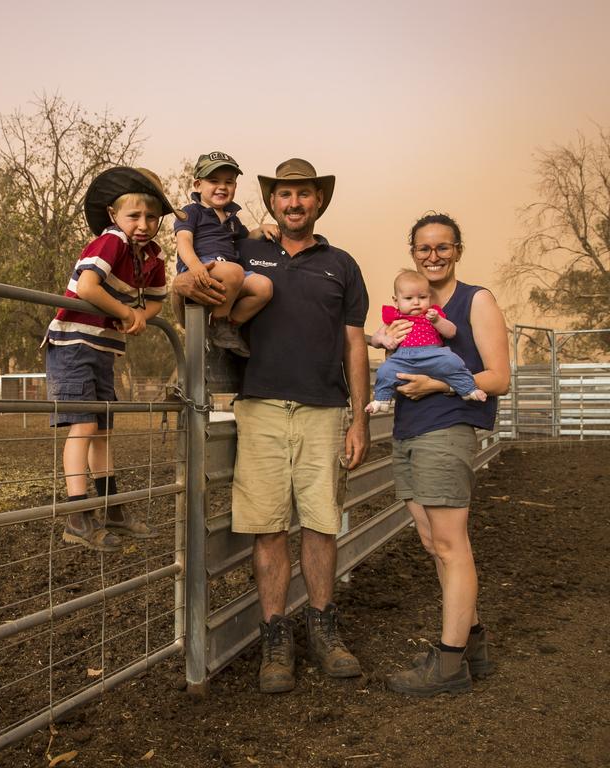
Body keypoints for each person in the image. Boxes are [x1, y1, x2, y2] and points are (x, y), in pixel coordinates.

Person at [174, 158, 371, 693]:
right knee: (266, 526)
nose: (294, 204)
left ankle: (324, 630)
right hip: (258, 404)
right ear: (272, 202)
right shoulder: (245, 249)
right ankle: (275, 638)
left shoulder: (343, 265)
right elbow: (200, 272)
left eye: (304, 195)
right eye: (284, 195)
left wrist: (361, 417)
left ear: (319, 202)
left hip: (325, 408)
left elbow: (355, 343)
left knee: (321, 522)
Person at [380, 212, 510, 697]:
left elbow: (499, 376)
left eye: (443, 247)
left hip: (448, 427)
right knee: (433, 542)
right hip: (409, 429)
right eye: (424, 248)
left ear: (458, 249)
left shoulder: (475, 300)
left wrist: (438, 383)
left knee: (452, 544)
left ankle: (449, 663)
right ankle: (472, 644)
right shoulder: (408, 305)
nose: (433, 256)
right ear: (412, 252)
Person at [44, 166, 183, 552]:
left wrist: (141, 315)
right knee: (84, 427)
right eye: (133, 216)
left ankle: (112, 509)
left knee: (103, 430)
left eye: (151, 217)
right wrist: (126, 314)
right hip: (73, 344)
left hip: (102, 349)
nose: (143, 224)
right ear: (113, 216)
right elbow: (88, 286)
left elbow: (154, 301)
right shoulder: (111, 243)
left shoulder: (152, 257)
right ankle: (77, 514)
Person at [174, 151, 274, 356]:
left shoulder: (232, 219)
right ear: (198, 185)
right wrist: (194, 265)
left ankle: (228, 325)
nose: (222, 187)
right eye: (213, 181)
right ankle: (218, 323)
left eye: (229, 182)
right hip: (203, 267)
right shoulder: (191, 212)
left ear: (235, 187)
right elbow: (183, 240)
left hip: (230, 272)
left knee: (264, 287)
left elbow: (246, 238)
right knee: (234, 271)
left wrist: (261, 230)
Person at [365, 269, 487, 414]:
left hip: (433, 354)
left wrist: (437, 320)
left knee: (453, 361)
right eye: (409, 298)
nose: (416, 303)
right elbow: (375, 339)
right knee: (385, 370)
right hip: (403, 359)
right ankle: (381, 400)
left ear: (429, 297)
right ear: (396, 301)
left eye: (422, 297)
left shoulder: (431, 314)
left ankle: (469, 389)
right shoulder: (394, 317)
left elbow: (451, 332)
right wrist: (384, 339)